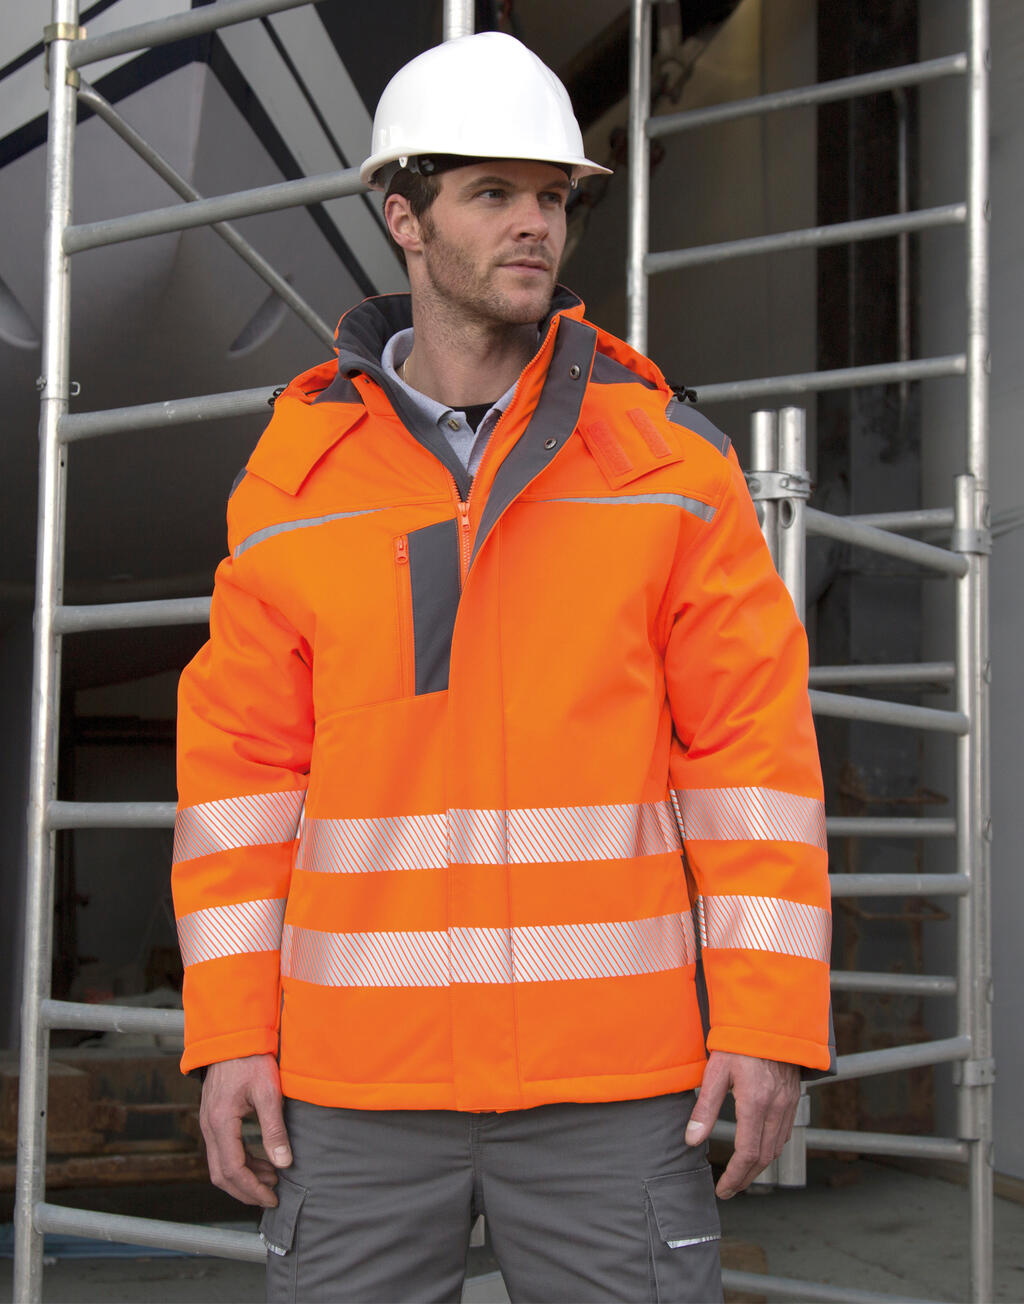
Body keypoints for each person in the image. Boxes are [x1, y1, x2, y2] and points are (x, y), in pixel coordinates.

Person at [172, 31, 832, 1304]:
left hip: (614, 1090)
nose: (534, 223)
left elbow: (751, 761)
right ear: (404, 219)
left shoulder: (668, 465)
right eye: (491, 193)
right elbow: (240, 785)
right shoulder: (293, 484)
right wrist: (232, 1029)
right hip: (354, 1090)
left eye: (551, 196)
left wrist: (764, 1018)